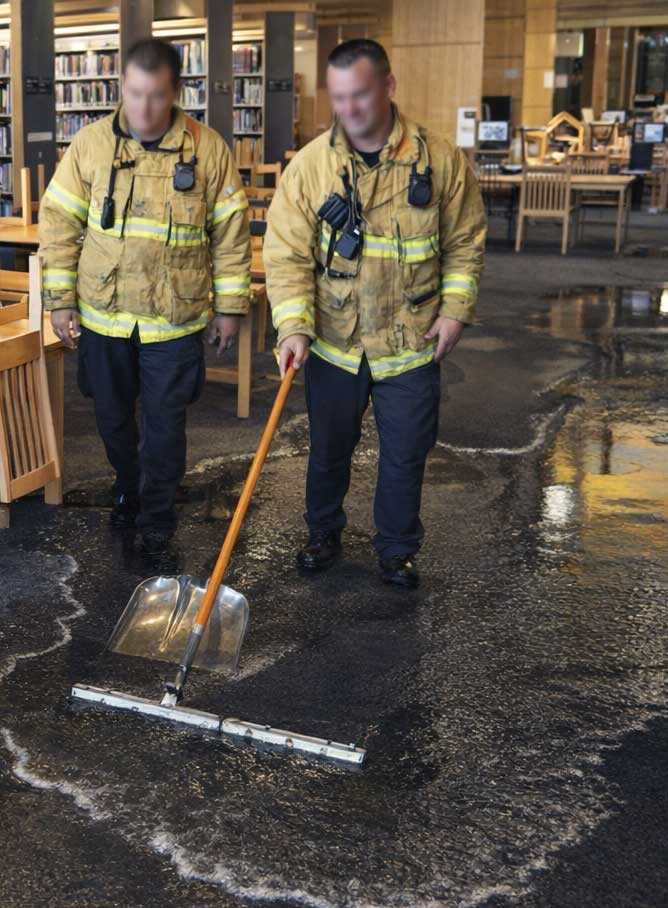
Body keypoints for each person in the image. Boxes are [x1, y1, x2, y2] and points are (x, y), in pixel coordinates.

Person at [264, 39, 485, 588]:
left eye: (359, 94)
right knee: (328, 450)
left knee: (407, 454)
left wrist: (455, 310)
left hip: (410, 340)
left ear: (388, 86)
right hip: (335, 342)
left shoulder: (439, 161)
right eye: (339, 98)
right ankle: (322, 532)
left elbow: (465, 242)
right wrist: (293, 326)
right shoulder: (311, 167)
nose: (350, 109)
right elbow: (286, 254)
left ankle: (396, 551)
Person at [38, 38, 252, 563]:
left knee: (165, 428)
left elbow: (230, 235)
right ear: (121, 89)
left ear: (177, 91)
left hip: (174, 322)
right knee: (111, 419)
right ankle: (128, 486)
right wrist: (60, 300)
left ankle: (156, 517)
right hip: (104, 316)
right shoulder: (89, 146)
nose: (144, 108)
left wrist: (229, 307)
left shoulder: (208, 150)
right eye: (134, 94)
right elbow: (59, 223)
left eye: (156, 96)